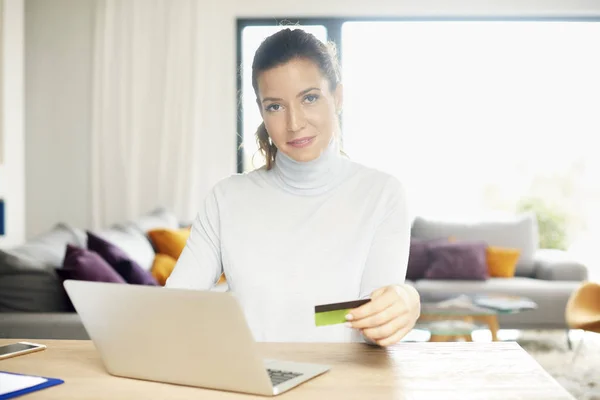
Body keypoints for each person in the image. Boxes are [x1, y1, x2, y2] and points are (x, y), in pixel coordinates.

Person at [166, 28, 420, 346]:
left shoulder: (382, 194)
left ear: (337, 97)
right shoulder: (226, 199)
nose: (294, 123)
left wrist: (406, 299)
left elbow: (369, 323)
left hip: (343, 384)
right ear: (261, 111)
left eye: (309, 98)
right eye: (275, 106)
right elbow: (174, 308)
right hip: (252, 382)